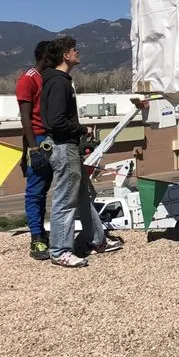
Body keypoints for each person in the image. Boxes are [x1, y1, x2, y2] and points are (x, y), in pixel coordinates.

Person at [40, 35, 122, 268]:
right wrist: (81, 128)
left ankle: (97, 240)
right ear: (66, 55)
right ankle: (60, 250)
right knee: (65, 200)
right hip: (63, 147)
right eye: (74, 50)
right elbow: (56, 121)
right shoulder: (59, 83)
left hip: (69, 146)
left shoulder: (59, 81)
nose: (78, 53)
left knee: (82, 197)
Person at [16, 40, 54, 260]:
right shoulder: (27, 80)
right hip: (38, 139)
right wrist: (33, 148)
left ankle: (48, 232)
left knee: (51, 189)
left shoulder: (49, 78)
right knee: (35, 192)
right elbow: (25, 117)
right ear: (45, 58)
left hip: (52, 137)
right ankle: (37, 238)